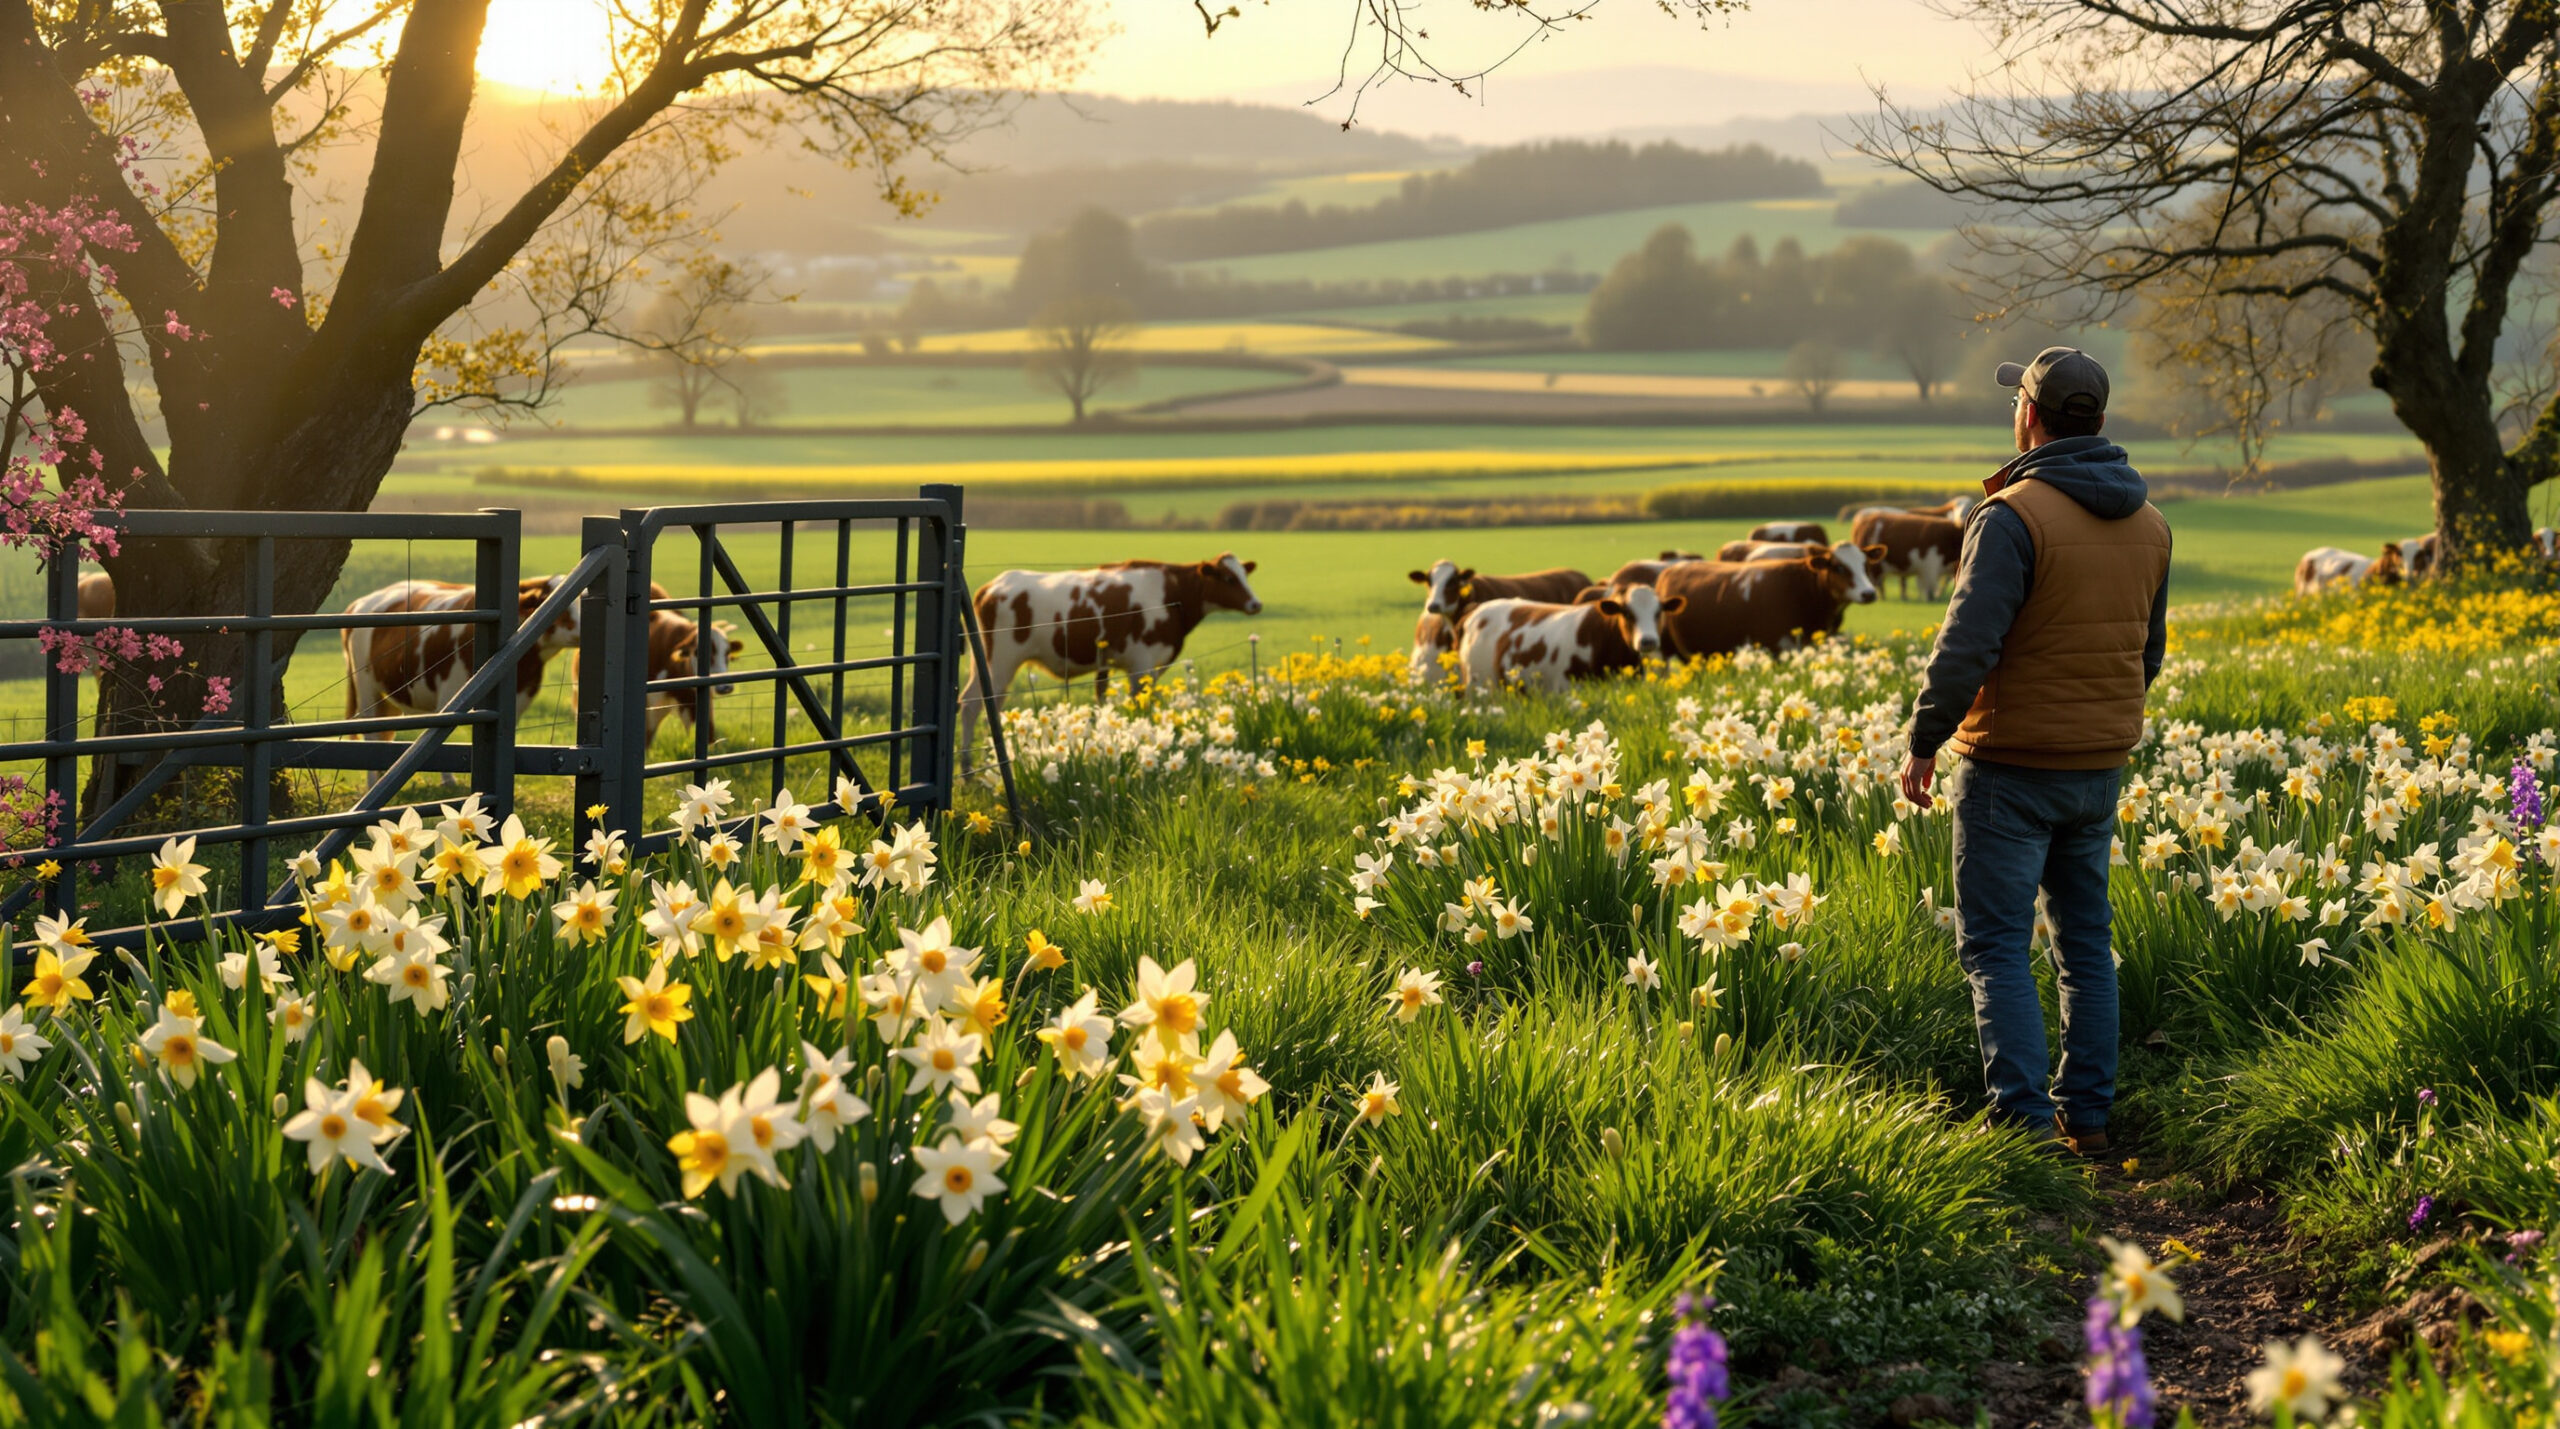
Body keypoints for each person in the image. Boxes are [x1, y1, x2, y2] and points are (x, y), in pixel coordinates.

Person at [1896, 346, 2171, 1157]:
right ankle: (2086, 1117)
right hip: (2096, 767)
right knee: (2086, 943)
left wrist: (1924, 736)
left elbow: (1966, 645)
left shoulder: (2012, 515)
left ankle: (2019, 1129)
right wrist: (2098, 723)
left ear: (2029, 415)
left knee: (1995, 945)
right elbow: (2144, 655)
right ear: (2101, 420)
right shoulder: (2151, 523)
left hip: (2010, 768)